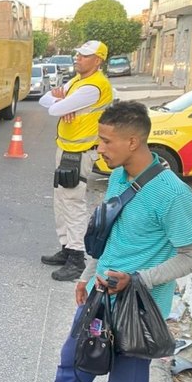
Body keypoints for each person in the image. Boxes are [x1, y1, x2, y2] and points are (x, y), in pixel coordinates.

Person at [2, 101, 192, 382]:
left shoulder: (173, 195)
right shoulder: (118, 177)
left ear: (133, 142)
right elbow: (110, 235)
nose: (99, 148)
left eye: (106, 141)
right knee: (76, 356)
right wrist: (86, 275)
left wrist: (138, 279)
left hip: (137, 307)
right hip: (100, 294)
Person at [39, 40, 114, 281]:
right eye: (78, 54)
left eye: (84, 55)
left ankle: (76, 258)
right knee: (61, 201)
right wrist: (61, 103)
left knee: (73, 203)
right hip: (67, 149)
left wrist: (60, 104)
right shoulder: (76, 82)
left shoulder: (93, 86)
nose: (78, 58)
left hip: (79, 152)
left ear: (98, 60)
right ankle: (66, 247)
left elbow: (52, 109)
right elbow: (44, 100)